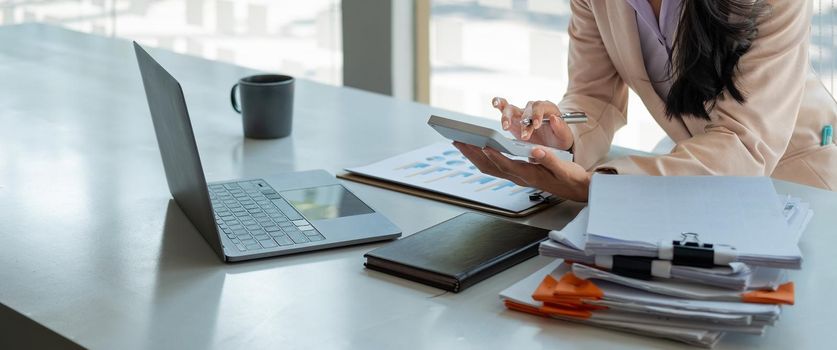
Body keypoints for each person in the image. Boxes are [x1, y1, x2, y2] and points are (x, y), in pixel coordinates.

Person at [455, 0, 837, 202]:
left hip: (796, 180)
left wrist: (603, 186)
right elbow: (593, 94)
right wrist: (564, 136)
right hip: (696, 182)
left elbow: (744, 141)